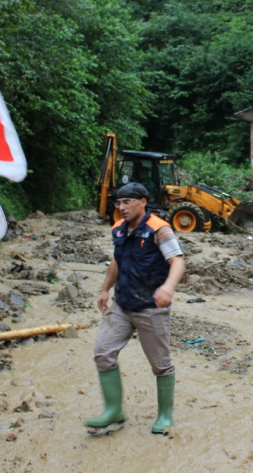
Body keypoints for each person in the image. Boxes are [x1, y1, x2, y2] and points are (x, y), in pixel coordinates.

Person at [86, 182, 185, 435]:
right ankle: (114, 411)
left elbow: (177, 262)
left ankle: (164, 416)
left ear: (142, 202)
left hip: (151, 307)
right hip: (123, 304)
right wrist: (105, 289)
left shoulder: (159, 229)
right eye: (118, 203)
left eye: (127, 202)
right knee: (103, 352)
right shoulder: (118, 229)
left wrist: (168, 288)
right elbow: (117, 260)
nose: (121, 208)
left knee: (161, 365)